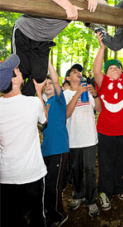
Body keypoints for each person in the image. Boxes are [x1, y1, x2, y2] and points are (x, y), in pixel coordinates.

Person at [12, 0, 107, 96]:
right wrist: (67, 6)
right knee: (20, 72)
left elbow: (105, 3)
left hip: (43, 41)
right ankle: (13, 102)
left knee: (39, 77)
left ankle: (25, 103)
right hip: (25, 32)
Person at [0, 54, 48, 227]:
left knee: (10, 219)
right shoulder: (33, 103)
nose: (21, 72)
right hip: (32, 174)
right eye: (17, 70)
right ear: (13, 80)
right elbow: (44, 120)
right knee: (37, 218)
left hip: (6, 176)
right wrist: (39, 92)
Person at [93, 32, 123, 212]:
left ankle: (119, 188)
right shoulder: (104, 82)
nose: (114, 69)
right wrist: (101, 48)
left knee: (121, 162)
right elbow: (96, 71)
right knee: (106, 163)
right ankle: (104, 191)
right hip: (105, 131)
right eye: (111, 68)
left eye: (117, 67)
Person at [63, 63, 102, 218]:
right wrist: (77, 94)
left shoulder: (88, 90)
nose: (78, 73)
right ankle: (78, 195)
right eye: (74, 71)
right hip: (73, 139)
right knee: (76, 170)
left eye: (79, 71)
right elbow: (66, 114)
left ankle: (91, 200)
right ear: (67, 78)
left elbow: (98, 109)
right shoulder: (64, 94)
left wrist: (95, 95)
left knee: (90, 170)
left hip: (90, 138)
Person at [41, 61, 69, 226]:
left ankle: (59, 215)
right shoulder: (43, 104)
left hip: (59, 149)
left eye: (50, 83)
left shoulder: (59, 100)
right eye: (46, 85)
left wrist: (48, 61)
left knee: (53, 186)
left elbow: (57, 81)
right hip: (45, 151)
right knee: (45, 184)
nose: (49, 85)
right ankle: (48, 209)